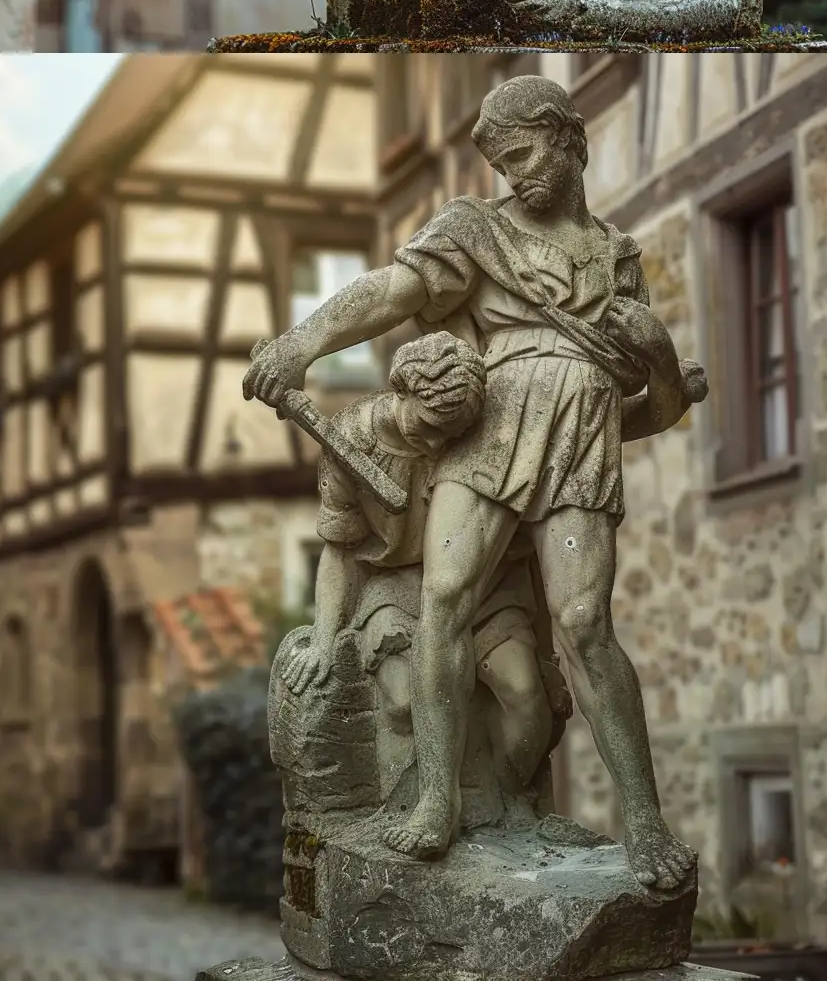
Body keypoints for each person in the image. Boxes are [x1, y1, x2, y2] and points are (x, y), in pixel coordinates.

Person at [245, 75, 699, 890]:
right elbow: (391, 291)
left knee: (585, 620)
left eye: (524, 155)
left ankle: (644, 818)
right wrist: (302, 341)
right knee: (444, 598)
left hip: (582, 438)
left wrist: (661, 360)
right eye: (500, 162)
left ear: (568, 139)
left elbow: (655, 412)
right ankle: (437, 800)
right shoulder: (475, 231)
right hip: (490, 435)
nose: (514, 176)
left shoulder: (617, 259)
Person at [281, 332, 560, 814]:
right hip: (397, 586)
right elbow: (339, 550)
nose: (435, 443)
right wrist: (326, 637)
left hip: (483, 584)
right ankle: (421, 804)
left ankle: (510, 806)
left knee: (527, 698)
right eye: (428, 426)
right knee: (403, 702)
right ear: (401, 390)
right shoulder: (350, 440)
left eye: (448, 435)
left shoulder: (471, 432)